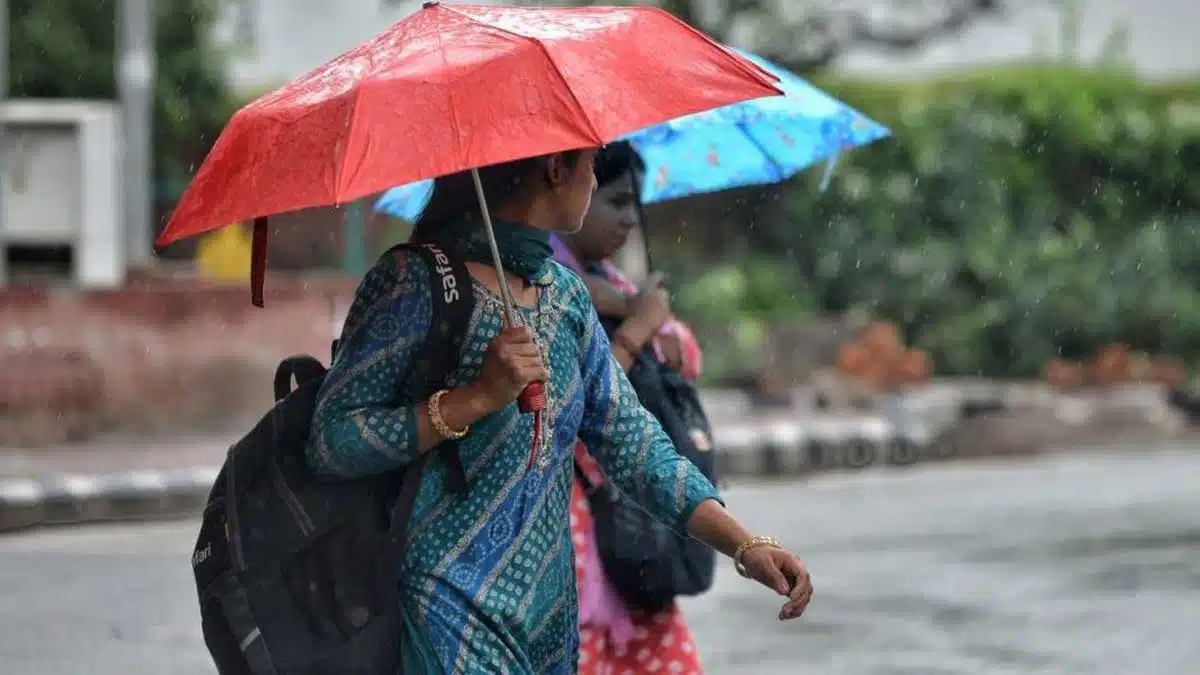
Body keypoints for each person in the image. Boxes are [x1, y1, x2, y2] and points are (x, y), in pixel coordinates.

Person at [307, 149, 812, 674]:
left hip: (546, 623)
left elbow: (632, 442)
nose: (593, 182)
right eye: (591, 166)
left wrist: (744, 544)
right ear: (555, 170)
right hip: (446, 608)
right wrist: (475, 398)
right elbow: (331, 441)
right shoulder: (412, 283)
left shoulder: (565, 295)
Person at [553, 141, 709, 674]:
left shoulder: (611, 280)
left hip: (628, 513)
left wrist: (637, 313)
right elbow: (577, 409)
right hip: (568, 527)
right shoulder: (541, 289)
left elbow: (685, 356)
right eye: (613, 200)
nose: (628, 219)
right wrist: (637, 328)